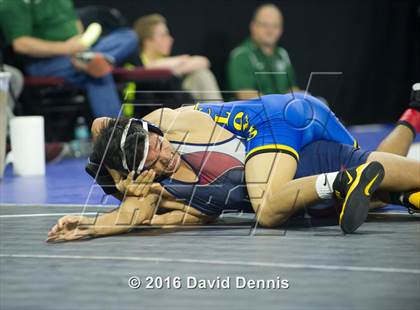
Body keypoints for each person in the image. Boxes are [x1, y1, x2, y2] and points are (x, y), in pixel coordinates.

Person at [46, 86, 420, 242]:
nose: (163, 152)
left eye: (156, 142)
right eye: (152, 160)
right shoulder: (179, 197)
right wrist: (93, 225)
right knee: (379, 189)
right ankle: (414, 113)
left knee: (269, 208)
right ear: (140, 174)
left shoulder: (167, 120)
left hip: (275, 120)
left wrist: (118, 193)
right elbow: (143, 216)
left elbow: (102, 128)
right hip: (307, 129)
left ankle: (341, 181)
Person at [0, 0, 138, 117]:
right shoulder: (14, 2)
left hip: (79, 51)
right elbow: (21, 44)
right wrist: (66, 48)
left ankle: (91, 58)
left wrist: (80, 40)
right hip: (45, 62)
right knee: (98, 73)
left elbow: (75, 22)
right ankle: (116, 137)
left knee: (128, 36)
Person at [130, 14, 222, 101]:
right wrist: (174, 65)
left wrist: (175, 68)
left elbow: (204, 61)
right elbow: (148, 69)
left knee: (201, 74)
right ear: (148, 41)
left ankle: (221, 115)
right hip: (154, 109)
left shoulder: (169, 60)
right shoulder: (136, 62)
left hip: (177, 102)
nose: (170, 39)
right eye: (163, 35)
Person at [227, 3, 300, 100]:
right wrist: (278, 106)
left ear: (281, 29)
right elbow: (246, 95)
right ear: (253, 26)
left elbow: (292, 88)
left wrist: (302, 99)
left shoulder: (282, 54)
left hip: (282, 111)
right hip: (254, 113)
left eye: (275, 26)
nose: (270, 30)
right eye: (264, 25)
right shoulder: (241, 55)